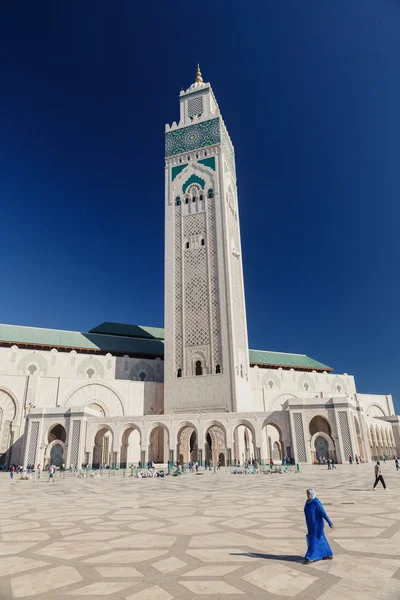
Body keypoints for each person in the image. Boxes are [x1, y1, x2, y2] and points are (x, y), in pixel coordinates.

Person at [304, 488, 334, 564]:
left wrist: (330, 523)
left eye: (309, 494)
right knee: (321, 539)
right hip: (310, 525)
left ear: (312, 494)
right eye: (307, 494)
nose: (307, 495)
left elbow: (323, 513)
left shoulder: (316, 502)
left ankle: (310, 557)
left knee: (313, 541)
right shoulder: (307, 502)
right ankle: (328, 554)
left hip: (317, 525)